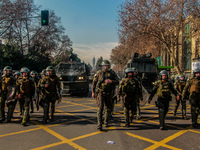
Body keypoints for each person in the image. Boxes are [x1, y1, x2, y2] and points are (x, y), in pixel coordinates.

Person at [92, 60, 119, 130]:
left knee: (107, 108)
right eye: (104, 66)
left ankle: (106, 122)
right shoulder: (99, 73)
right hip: (100, 92)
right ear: (102, 66)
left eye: (107, 66)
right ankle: (99, 124)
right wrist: (93, 92)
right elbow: (94, 82)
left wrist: (111, 81)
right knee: (100, 107)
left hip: (109, 93)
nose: (105, 67)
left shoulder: (112, 73)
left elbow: (118, 82)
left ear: (109, 66)